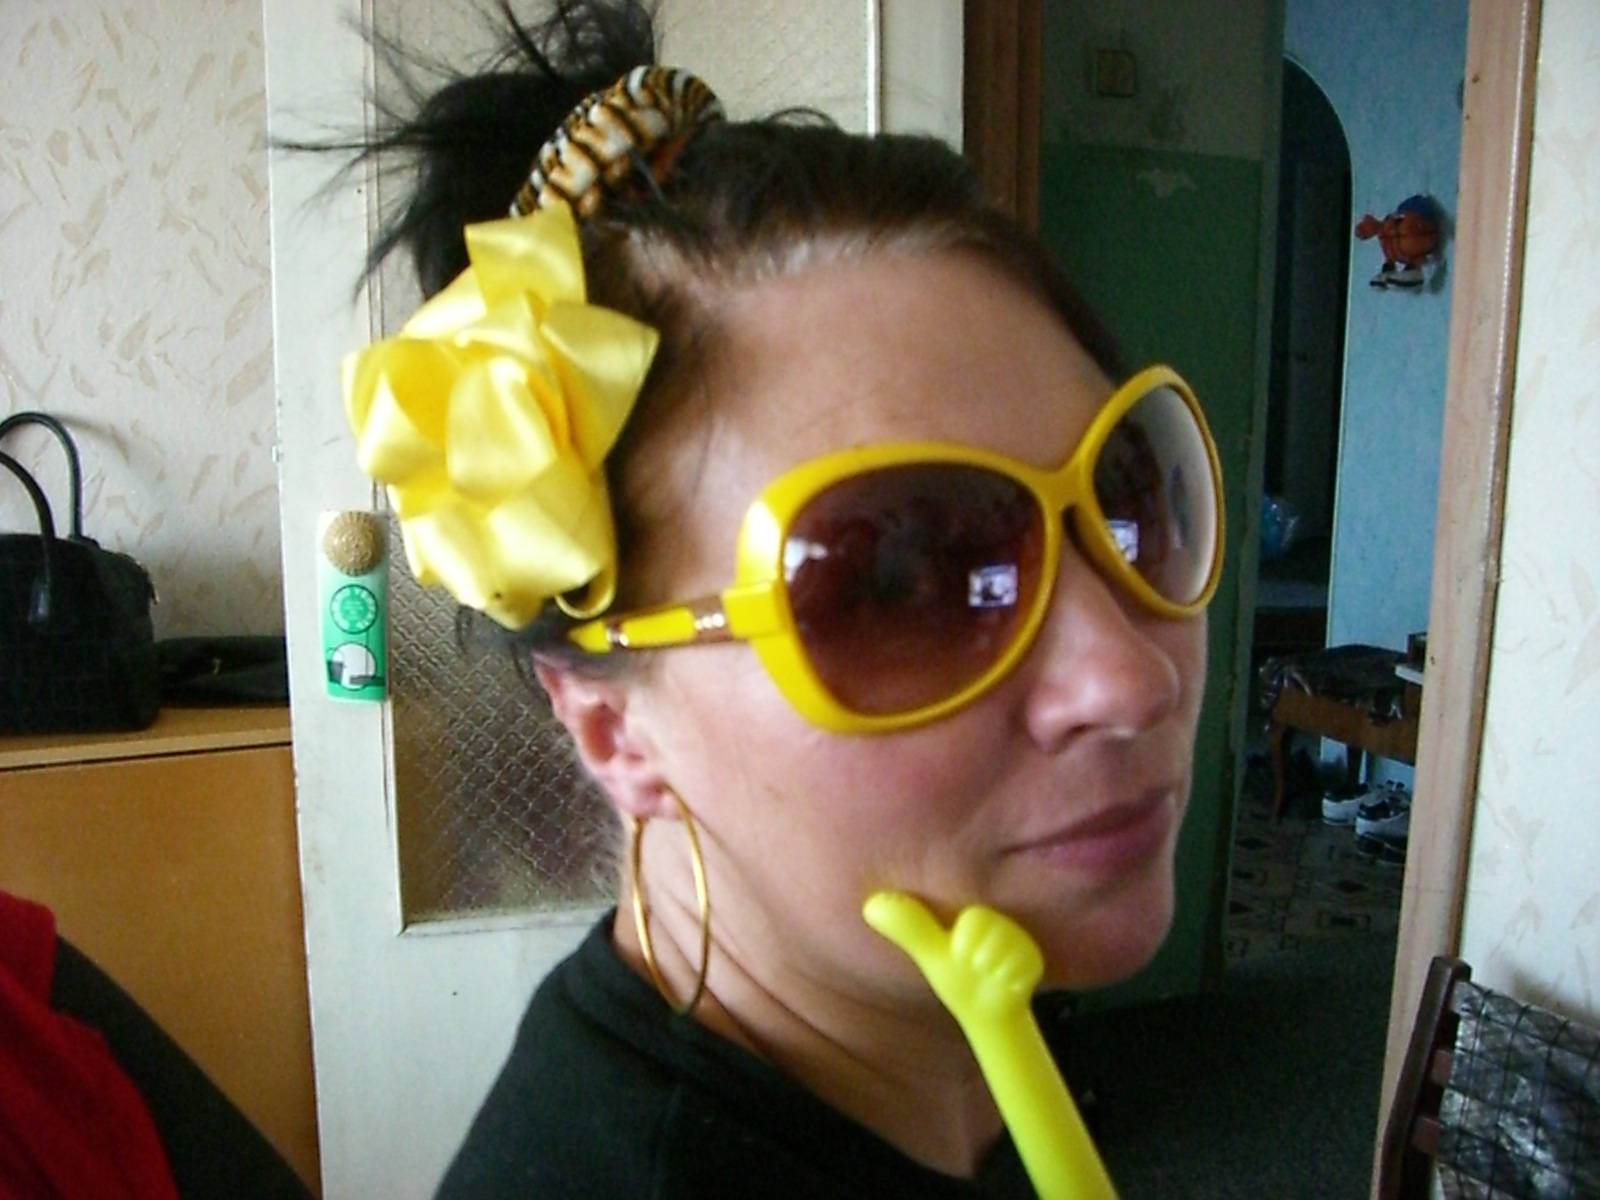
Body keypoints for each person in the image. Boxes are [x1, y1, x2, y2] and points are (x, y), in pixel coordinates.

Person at [334, 1, 1224, 1194]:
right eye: (899, 582)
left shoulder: (958, 1002)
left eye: (1125, 496)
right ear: (612, 726)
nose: (1131, 675)